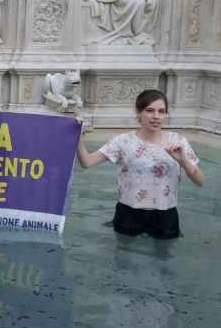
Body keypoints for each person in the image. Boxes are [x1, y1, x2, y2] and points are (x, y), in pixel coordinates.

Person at [76, 89, 204, 239]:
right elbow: (86, 162)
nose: (156, 116)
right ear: (138, 113)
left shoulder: (178, 142)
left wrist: (183, 160)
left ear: (166, 114)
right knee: (125, 259)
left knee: (163, 258)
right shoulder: (123, 141)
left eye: (161, 111)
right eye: (150, 110)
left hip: (165, 214)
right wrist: (77, 135)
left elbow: (200, 181)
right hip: (129, 212)